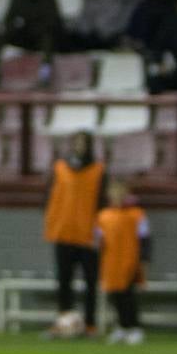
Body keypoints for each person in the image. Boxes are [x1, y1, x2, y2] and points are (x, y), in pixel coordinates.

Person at [43, 130, 106, 338]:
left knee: (90, 281)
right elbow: (49, 199)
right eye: (77, 142)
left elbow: (103, 203)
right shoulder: (60, 168)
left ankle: (90, 325)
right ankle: (64, 323)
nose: (80, 146)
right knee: (63, 281)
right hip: (64, 232)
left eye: (83, 142)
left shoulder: (98, 170)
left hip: (88, 235)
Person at [97, 180, 151, 345]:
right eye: (113, 191)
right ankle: (121, 326)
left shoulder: (137, 214)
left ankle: (135, 328)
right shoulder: (103, 216)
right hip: (111, 262)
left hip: (130, 261)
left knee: (128, 296)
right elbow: (99, 242)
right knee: (115, 296)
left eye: (120, 191)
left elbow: (145, 240)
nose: (116, 195)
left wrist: (144, 261)